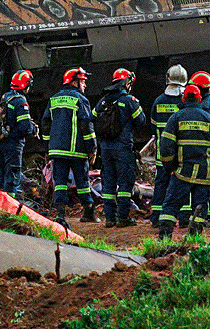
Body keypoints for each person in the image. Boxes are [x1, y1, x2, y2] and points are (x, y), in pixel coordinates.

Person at [157, 77, 210, 240]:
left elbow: (165, 146)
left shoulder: (176, 118)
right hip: (203, 173)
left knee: (171, 205)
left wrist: (170, 167)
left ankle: (164, 238)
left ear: (183, 99)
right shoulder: (208, 118)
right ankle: (195, 238)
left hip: (182, 172)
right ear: (199, 99)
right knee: (200, 206)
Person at [41, 66, 97, 226]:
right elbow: (86, 125)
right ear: (74, 82)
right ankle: (88, 212)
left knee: (59, 182)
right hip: (76, 150)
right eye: (83, 81)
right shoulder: (81, 99)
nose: (85, 85)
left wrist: (48, 147)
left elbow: (45, 124)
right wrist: (92, 149)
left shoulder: (53, 99)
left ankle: (61, 215)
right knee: (82, 182)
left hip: (57, 151)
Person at [94, 67, 148, 228]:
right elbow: (141, 121)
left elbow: (92, 117)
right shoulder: (129, 100)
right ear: (126, 83)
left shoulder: (103, 101)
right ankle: (123, 218)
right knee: (125, 183)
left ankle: (110, 218)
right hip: (123, 148)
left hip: (106, 148)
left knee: (108, 183)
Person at [148, 65, 187, 227]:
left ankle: (156, 216)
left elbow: (153, 126)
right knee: (182, 184)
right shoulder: (184, 101)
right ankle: (183, 217)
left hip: (162, 153)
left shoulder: (158, 101)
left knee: (161, 183)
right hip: (180, 152)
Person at [0, 70, 39, 195]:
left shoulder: (6, 97)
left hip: (1, 141)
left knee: (1, 176)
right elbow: (25, 127)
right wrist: (34, 129)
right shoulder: (20, 102)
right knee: (12, 177)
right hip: (13, 144)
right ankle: (9, 204)